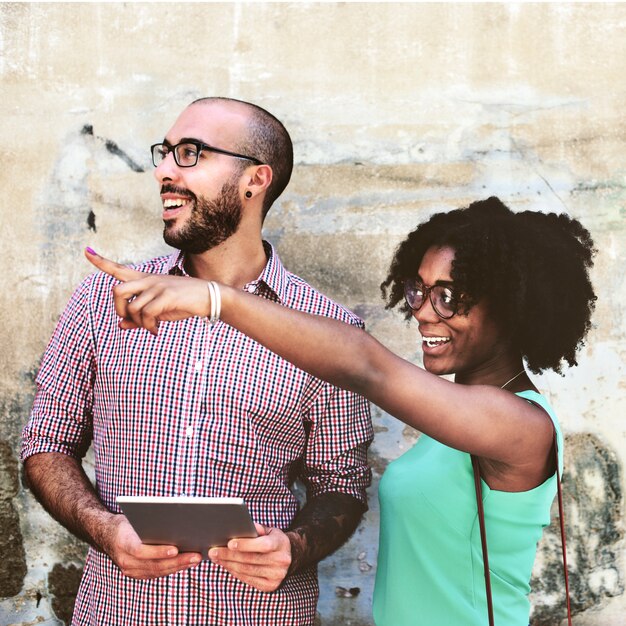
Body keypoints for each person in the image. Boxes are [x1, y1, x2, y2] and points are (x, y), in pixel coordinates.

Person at [84, 196, 596, 625]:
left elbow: (367, 368)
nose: (421, 309)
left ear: (512, 305)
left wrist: (217, 300)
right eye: (420, 290)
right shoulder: (456, 418)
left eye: (449, 296)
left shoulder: (520, 425)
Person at [21, 97, 373, 626]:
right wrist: (104, 528)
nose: (163, 170)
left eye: (190, 153)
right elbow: (45, 448)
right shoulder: (103, 298)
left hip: (261, 614)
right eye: (164, 153)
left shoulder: (328, 331)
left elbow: (341, 485)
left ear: (255, 179)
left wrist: (294, 548)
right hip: (117, 611)